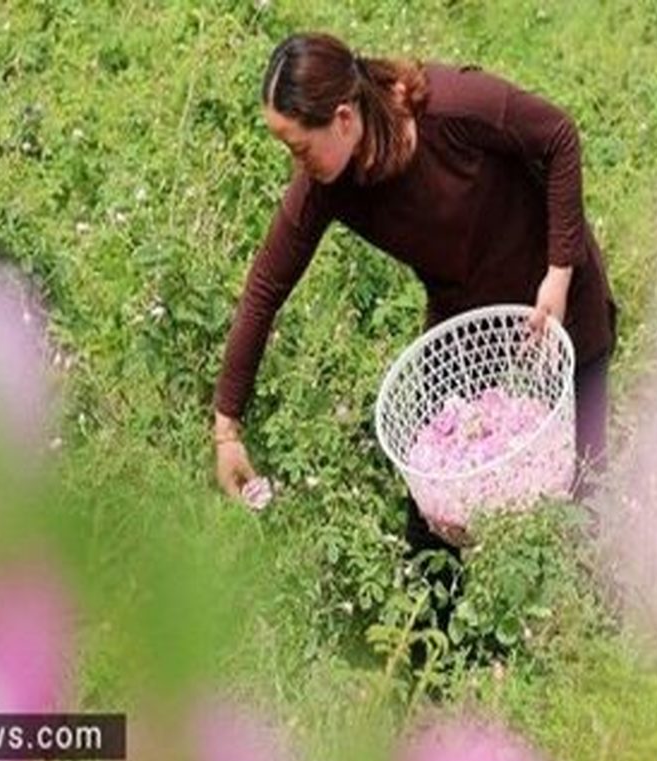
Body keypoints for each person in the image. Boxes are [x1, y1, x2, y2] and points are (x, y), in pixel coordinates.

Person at [212, 32, 617, 563]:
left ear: (343, 118)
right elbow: (265, 287)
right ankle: (431, 637)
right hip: (466, 323)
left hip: (559, 297)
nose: (297, 162)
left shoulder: (453, 109)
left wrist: (559, 272)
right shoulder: (325, 185)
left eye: (299, 147)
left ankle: (587, 624)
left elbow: (559, 137)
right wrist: (227, 428)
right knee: (437, 502)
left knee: (580, 478)